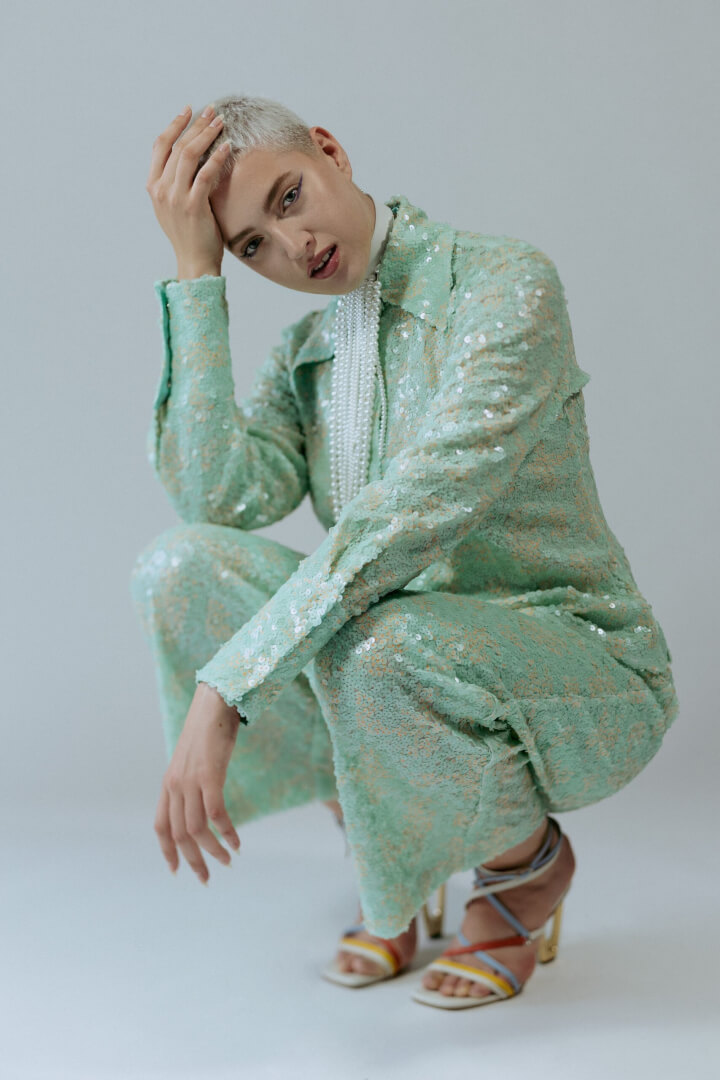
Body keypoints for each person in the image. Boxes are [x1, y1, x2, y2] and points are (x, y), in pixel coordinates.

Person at [130, 94, 680, 1010]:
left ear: (331, 151)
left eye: (289, 196)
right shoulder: (308, 352)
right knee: (180, 569)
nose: (293, 244)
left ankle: (524, 869)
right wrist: (195, 277)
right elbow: (214, 498)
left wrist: (227, 690)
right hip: (388, 657)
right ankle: (399, 841)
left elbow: (412, 517)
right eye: (252, 246)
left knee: (382, 639)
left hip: (576, 663)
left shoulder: (502, 285)